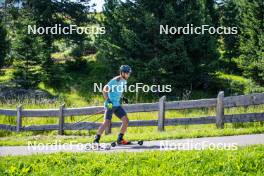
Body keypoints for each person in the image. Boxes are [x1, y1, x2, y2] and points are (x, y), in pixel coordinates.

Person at [93, 65, 132, 145]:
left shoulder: (124, 81)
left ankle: (120, 139)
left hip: (117, 105)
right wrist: (108, 100)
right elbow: (104, 90)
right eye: (127, 73)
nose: (128, 75)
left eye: (129, 73)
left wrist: (123, 97)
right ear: (122, 73)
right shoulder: (115, 80)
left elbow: (118, 91)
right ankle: (96, 140)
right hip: (110, 105)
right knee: (107, 122)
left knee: (126, 120)